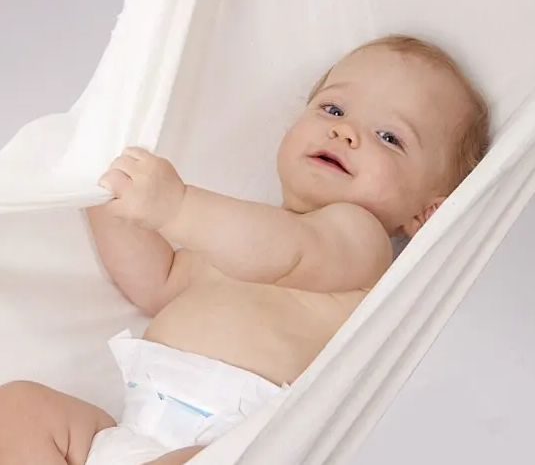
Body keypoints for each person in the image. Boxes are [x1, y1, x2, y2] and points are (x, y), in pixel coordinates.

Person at [0, 35, 490, 465]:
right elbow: (156, 281)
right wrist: (106, 194)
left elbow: (291, 252)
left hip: (229, 446)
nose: (345, 132)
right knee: (19, 407)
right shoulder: (235, 241)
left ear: (425, 214)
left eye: (389, 137)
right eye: (333, 110)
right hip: (133, 436)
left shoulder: (360, 243)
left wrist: (176, 207)